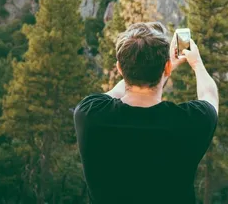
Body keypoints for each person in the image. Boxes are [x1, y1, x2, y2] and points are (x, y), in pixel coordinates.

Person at [74, 22, 219, 204]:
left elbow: (115, 93)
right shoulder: (189, 122)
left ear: (120, 68)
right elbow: (210, 95)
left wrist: (163, 68)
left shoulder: (89, 115)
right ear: (166, 68)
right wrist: (196, 63)